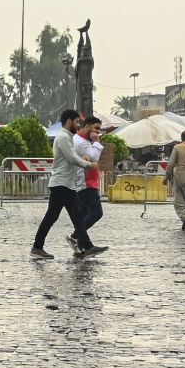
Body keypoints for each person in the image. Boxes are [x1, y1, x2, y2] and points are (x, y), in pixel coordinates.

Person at [31, 109, 107, 260]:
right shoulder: (63, 137)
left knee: (71, 217)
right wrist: (89, 164)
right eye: (77, 122)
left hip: (65, 184)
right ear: (69, 121)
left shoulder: (67, 137)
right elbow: (72, 158)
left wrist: (82, 159)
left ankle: (85, 247)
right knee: (58, 217)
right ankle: (38, 247)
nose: (78, 125)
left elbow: (70, 158)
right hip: (62, 184)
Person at [70, 117, 105, 253]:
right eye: (96, 128)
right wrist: (97, 142)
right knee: (96, 213)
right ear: (87, 126)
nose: (98, 132)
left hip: (87, 181)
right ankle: (75, 236)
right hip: (85, 183)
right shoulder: (80, 142)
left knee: (84, 216)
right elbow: (94, 157)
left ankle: (83, 246)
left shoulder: (84, 141)